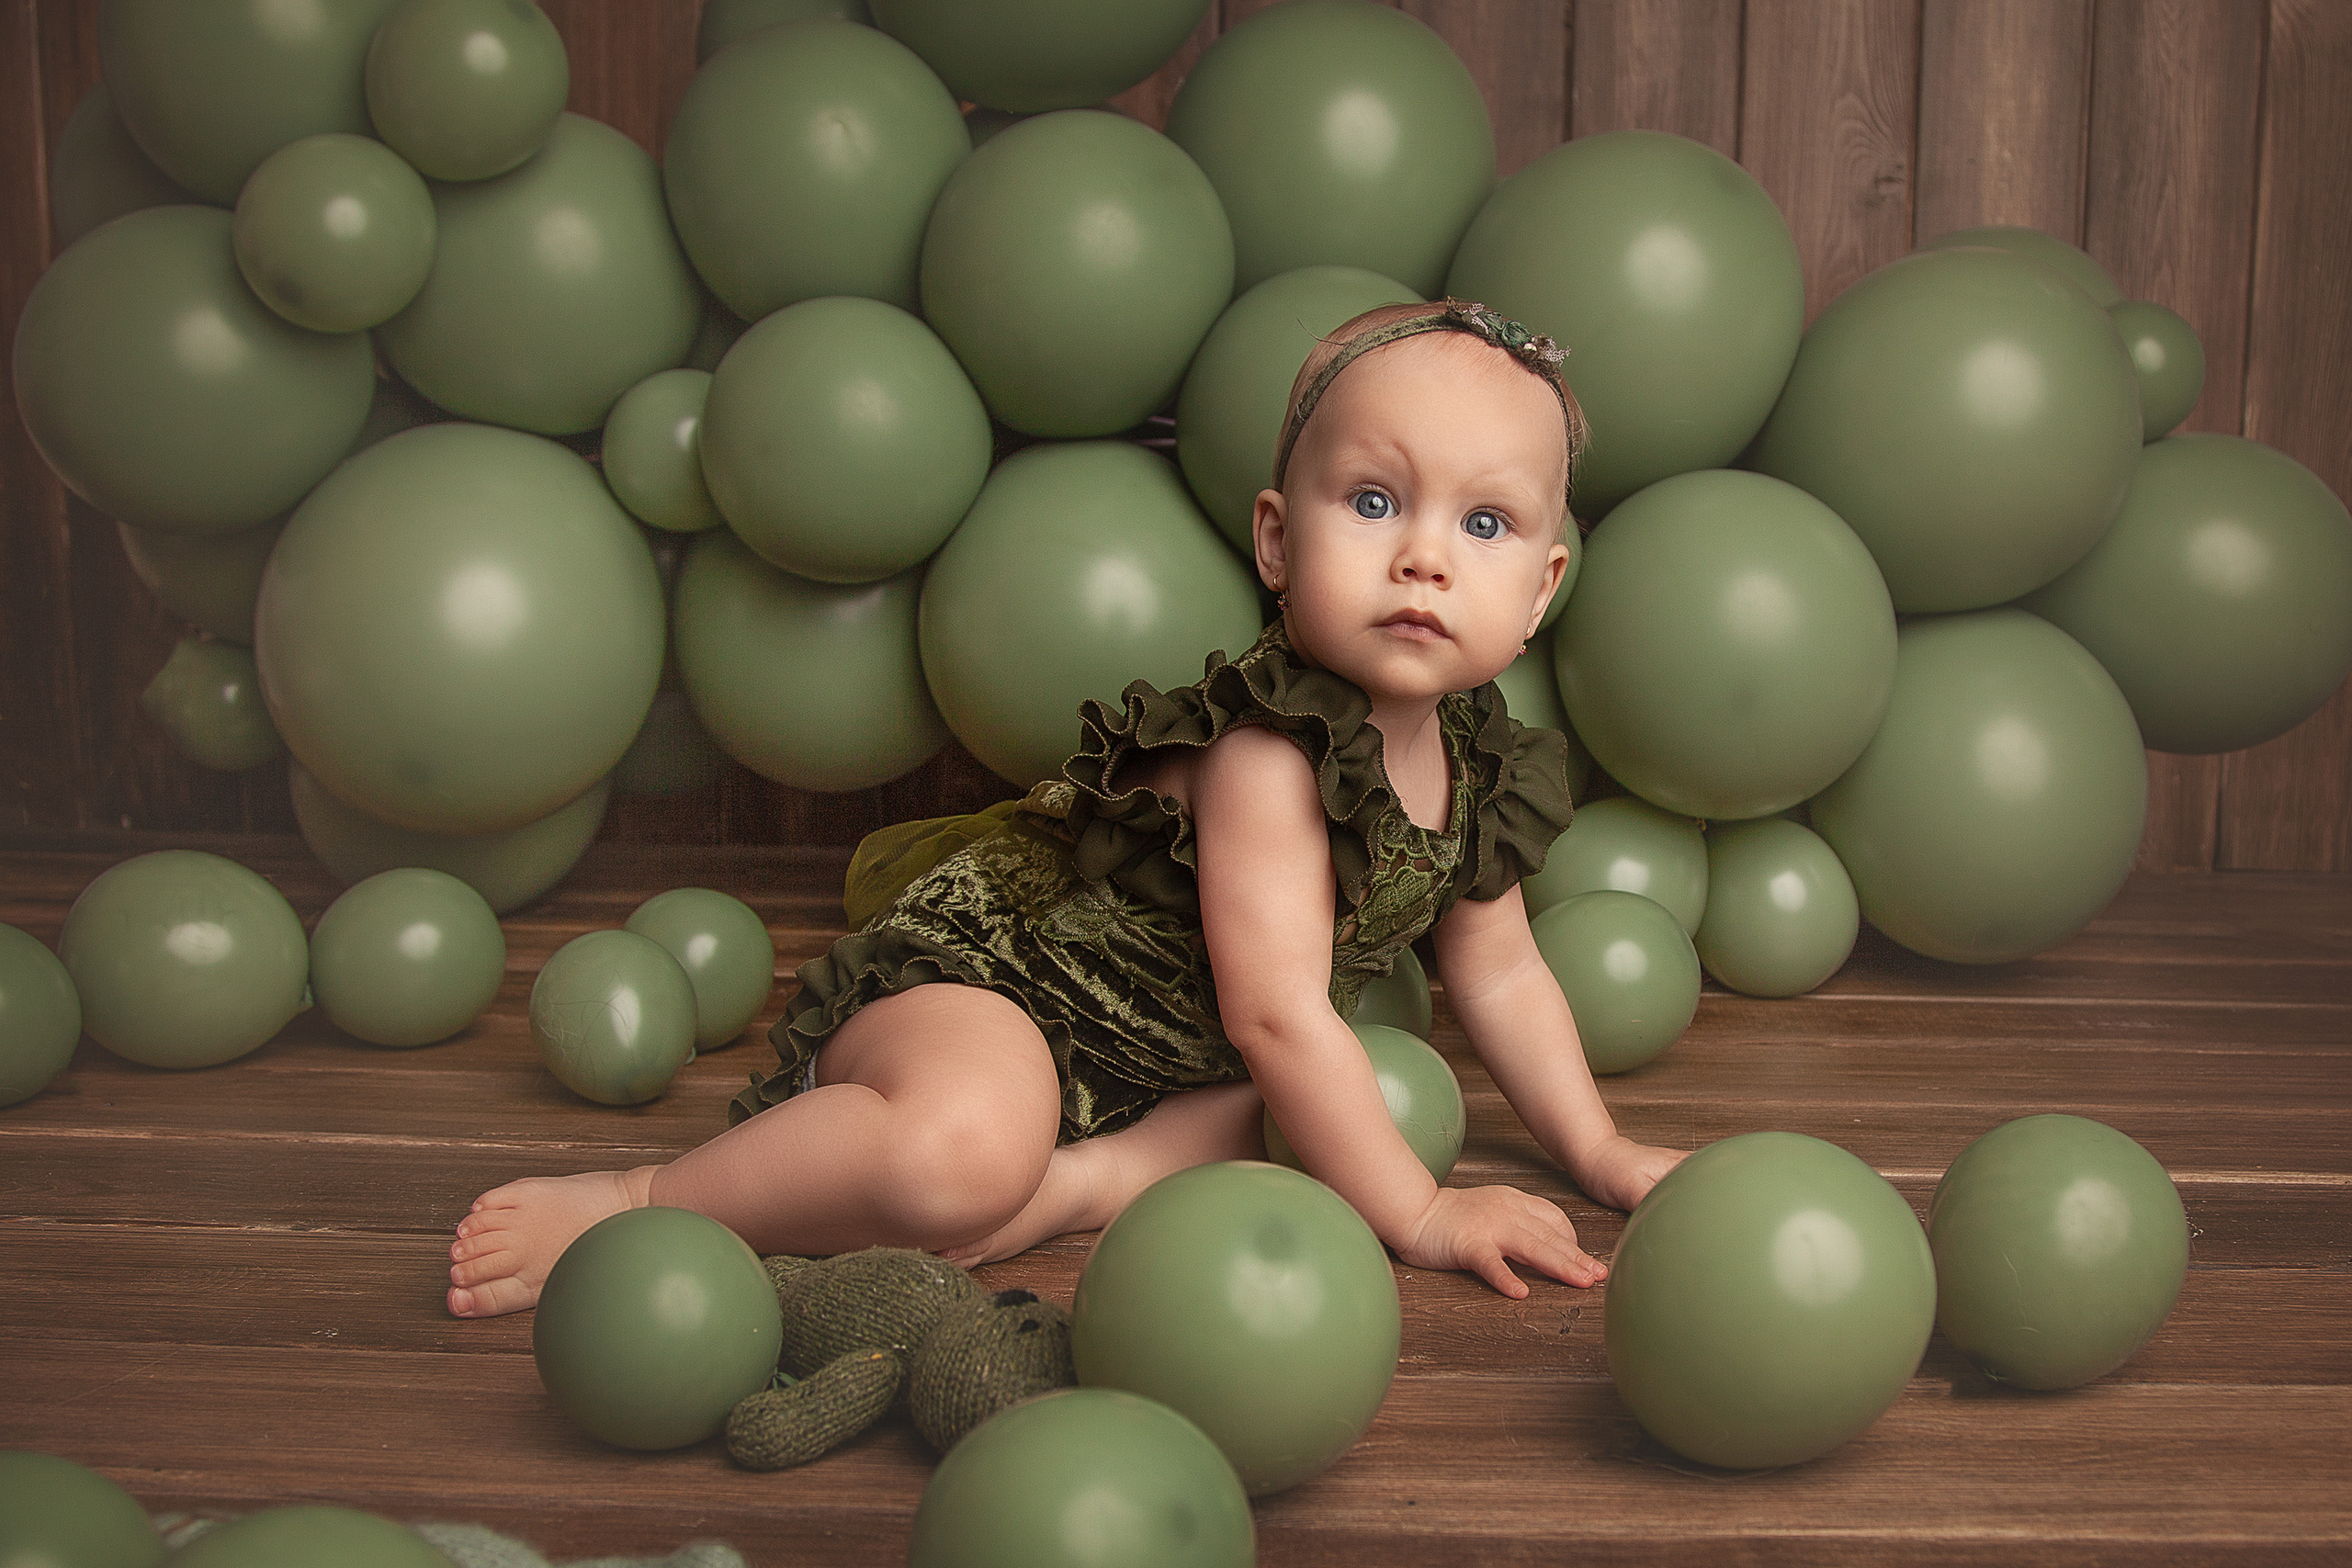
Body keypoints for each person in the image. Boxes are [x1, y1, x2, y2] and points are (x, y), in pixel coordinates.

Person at [447, 299, 1687, 1319]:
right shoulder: (1272, 750)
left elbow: (1507, 973)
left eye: (1484, 523)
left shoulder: (1483, 761)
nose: (1425, 556)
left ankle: (1077, 1183)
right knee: (978, 1150)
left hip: (1173, 1066)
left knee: (1283, 1128)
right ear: (1274, 540)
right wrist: (1420, 1212)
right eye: (1372, 502)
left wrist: (1602, 1153)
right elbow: (1275, 1012)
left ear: (1540, 590)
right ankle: (645, 1201)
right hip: (999, 993)